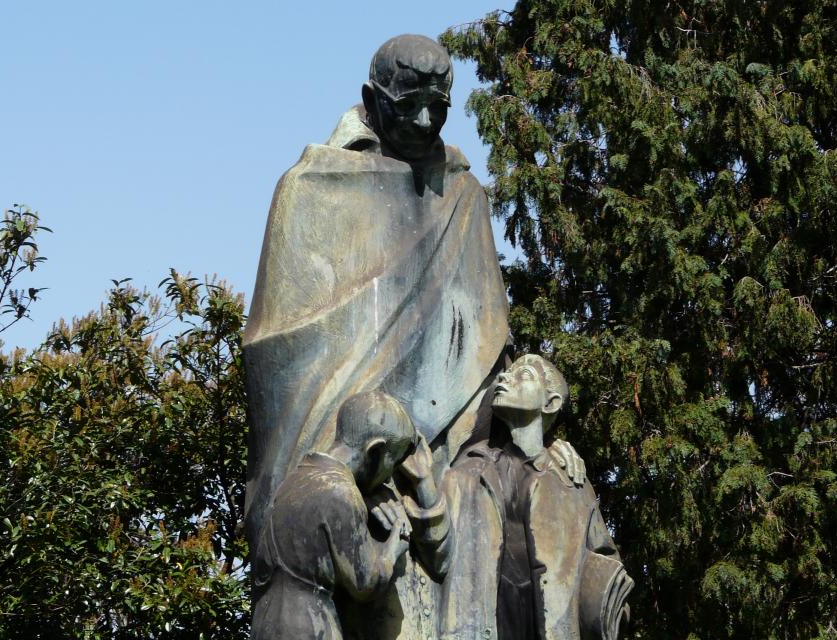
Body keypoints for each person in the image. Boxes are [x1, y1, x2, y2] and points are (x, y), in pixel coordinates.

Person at [243, 33, 509, 558]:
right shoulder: (311, 186)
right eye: (409, 106)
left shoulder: (462, 196)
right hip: (341, 455)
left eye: (439, 108)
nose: (427, 122)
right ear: (371, 101)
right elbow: (277, 346)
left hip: (439, 459)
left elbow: (485, 337)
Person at [440, 355, 634, 640]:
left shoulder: (572, 484)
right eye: (508, 374)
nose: (505, 378)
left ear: (550, 403)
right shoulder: (469, 469)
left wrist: (611, 613)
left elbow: (608, 565)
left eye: (525, 375)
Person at [251, 391, 417, 640]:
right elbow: (365, 583)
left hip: (264, 622)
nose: (391, 475)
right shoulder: (341, 492)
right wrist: (396, 544)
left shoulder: (295, 480)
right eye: (392, 462)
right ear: (375, 451)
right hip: (310, 625)